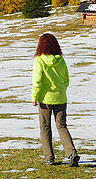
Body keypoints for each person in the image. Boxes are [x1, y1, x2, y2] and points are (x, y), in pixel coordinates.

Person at [32, 32, 79, 166]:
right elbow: (66, 79)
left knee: (45, 127)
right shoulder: (60, 60)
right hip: (60, 98)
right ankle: (72, 153)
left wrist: (35, 96)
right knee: (62, 126)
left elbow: (37, 81)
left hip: (45, 98)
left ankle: (49, 157)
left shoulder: (39, 60)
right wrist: (61, 91)